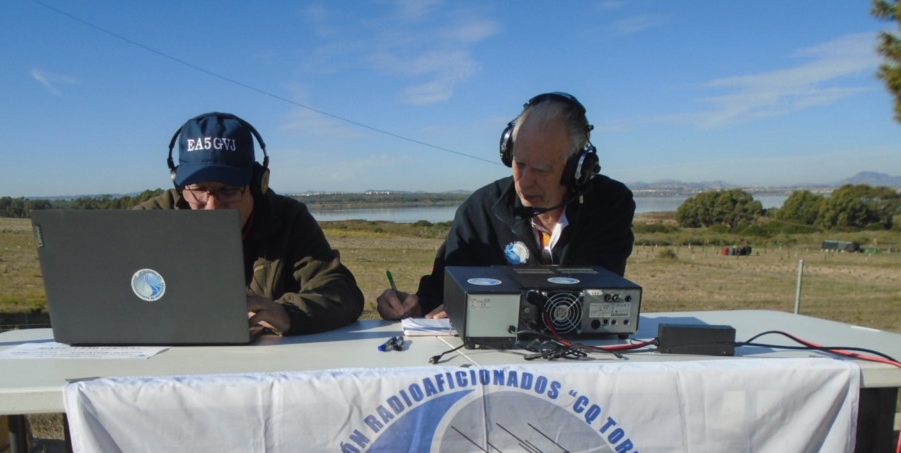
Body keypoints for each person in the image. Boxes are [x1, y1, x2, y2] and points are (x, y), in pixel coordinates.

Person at [377, 92, 635, 320]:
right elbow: (441, 292)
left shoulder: (610, 204)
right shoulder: (479, 209)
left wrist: (487, 306)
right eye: (519, 164)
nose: (524, 182)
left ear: (577, 169)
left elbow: (602, 295)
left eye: (541, 170)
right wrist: (414, 305)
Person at [138, 112, 364, 336]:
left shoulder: (289, 217)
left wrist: (286, 313)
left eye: (228, 190)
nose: (212, 206)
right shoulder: (147, 220)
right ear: (179, 185)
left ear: (257, 183)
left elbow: (342, 292)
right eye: (198, 190)